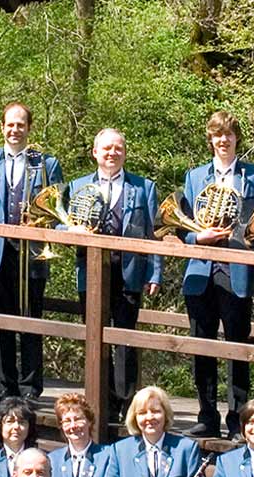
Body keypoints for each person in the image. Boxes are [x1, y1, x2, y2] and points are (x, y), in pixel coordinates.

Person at [176, 111, 254, 438]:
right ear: (211, 140)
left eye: (229, 135)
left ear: (236, 139)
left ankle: (237, 420)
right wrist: (196, 237)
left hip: (238, 270)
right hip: (201, 271)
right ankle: (207, 415)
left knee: (237, 349)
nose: (223, 140)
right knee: (202, 347)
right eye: (218, 135)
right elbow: (182, 226)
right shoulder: (195, 177)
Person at [0, 102, 63, 404]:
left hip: (32, 252)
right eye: (10, 124)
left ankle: (31, 386)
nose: (15, 129)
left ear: (29, 128)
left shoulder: (47, 163)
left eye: (21, 124)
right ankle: (6, 384)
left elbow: (58, 208)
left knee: (32, 318)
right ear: (2, 127)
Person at [68, 128, 161, 418]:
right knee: (94, 337)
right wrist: (71, 230)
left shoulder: (143, 187)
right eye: (106, 148)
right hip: (91, 274)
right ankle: (101, 402)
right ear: (95, 152)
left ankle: (127, 403)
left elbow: (154, 234)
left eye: (118, 148)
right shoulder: (77, 186)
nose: (112, 153)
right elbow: (59, 223)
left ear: (124, 152)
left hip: (130, 271)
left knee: (126, 339)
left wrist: (155, 273)